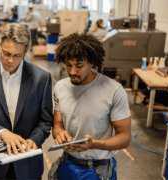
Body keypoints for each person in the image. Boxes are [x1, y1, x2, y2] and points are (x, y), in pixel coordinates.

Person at [0, 23, 53, 180]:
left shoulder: (41, 78)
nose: (10, 60)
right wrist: (3, 133)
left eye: (17, 55)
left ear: (26, 51)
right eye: (6, 53)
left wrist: (33, 141)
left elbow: (45, 121)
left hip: (28, 165)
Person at [52, 33, 131, 180]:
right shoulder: (60, 87)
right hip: (68, 164)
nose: (72, 71)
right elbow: (57, 125)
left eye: (79, 66)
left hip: (98, 170)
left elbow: (125, 138)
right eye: (68, 65)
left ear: (92, 63)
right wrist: (59, 134)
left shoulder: (113, 90)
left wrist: (94, 144)